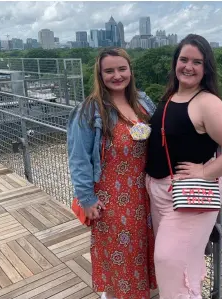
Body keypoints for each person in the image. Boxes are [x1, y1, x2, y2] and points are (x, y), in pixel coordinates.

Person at [145, 34, 222, 298]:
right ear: (175, 62)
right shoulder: (171, 95)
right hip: (161, 191)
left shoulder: (206, 102)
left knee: (169, 261)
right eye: (183, 59)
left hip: (188, 192)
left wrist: (205, 172)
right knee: (182, 264)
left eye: (197, 62)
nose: (188, 67)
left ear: (206, 68)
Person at [67, 48, 157, 299]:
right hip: (111, 201)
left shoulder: (143, 102)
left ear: (130, 70)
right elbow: (79, 159)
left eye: (122, 69)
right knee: (120, 257)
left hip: (145, 195)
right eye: (109, 71)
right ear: (100, 74)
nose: (117, 75)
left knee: (140, 252)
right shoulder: (89, 111)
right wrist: (86, 199)